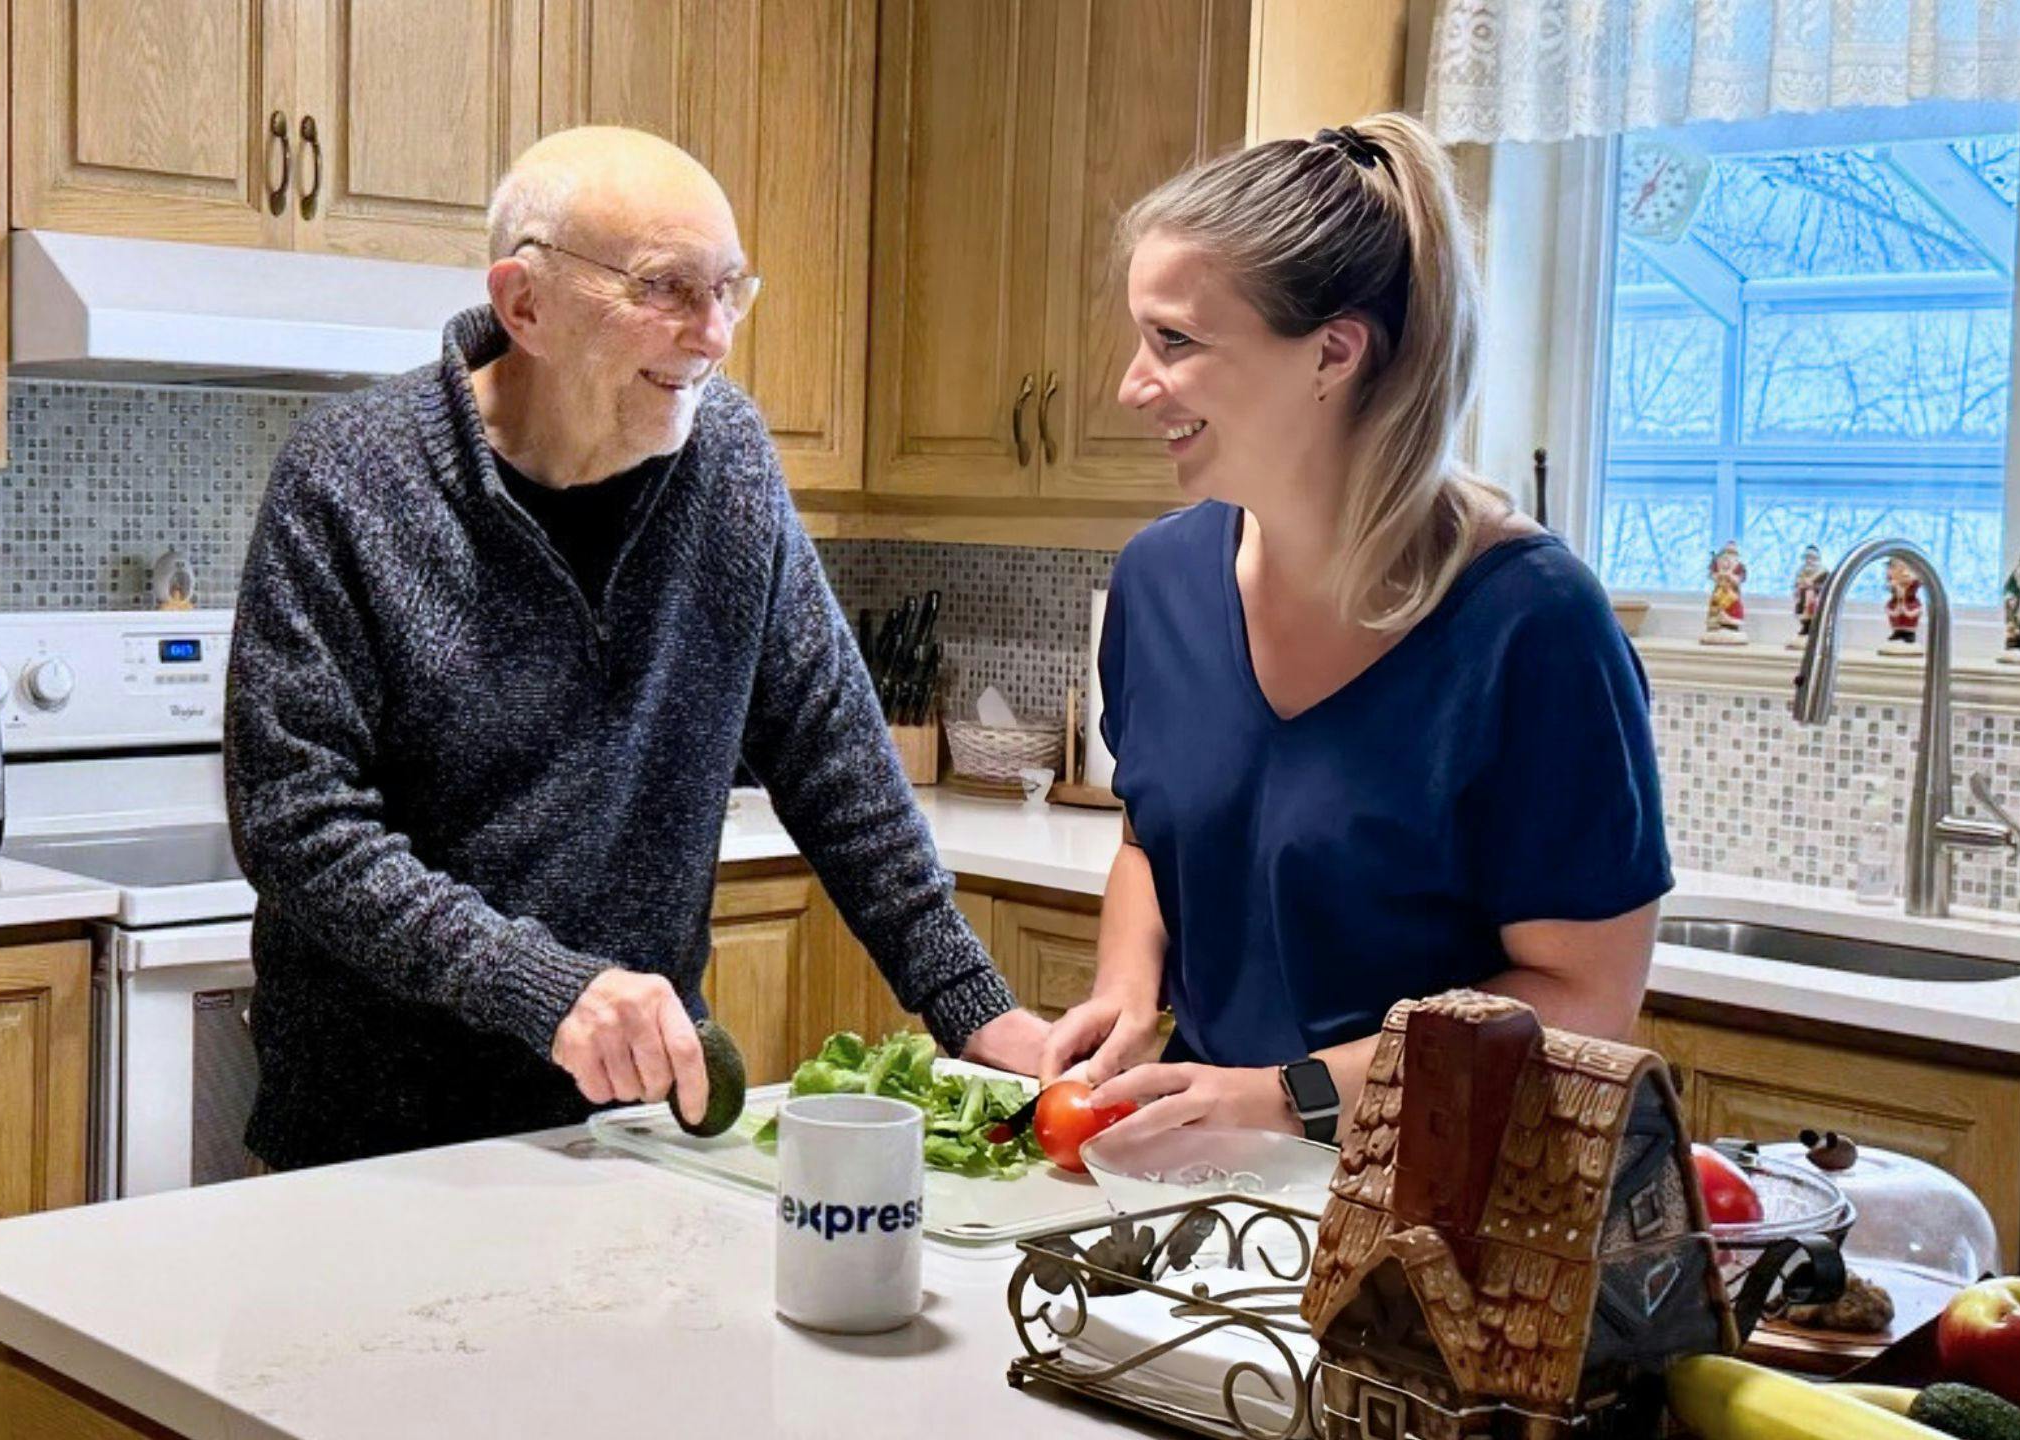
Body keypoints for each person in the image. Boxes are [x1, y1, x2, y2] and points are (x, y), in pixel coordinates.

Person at [227, 126, 1045, 1169]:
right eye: (664, 288)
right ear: (523, 303)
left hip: (632, 1126)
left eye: (730, 291)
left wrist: (972, 1009)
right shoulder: (351, 480)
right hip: (375, 1133)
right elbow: (299, 828)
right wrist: (542, 986)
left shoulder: (730, 461)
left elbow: (834, 760)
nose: (710, 335)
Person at [1038, 114, 1668, 1144]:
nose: (1130, 385)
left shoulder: (1531, 625)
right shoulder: (1159, 581)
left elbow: (1581, 1000)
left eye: (1176, 342)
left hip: (1442, 1220)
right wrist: (1125, 982)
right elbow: (1157, 835)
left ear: (1332, 353)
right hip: (1205, 1183)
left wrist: (1291, 1098)